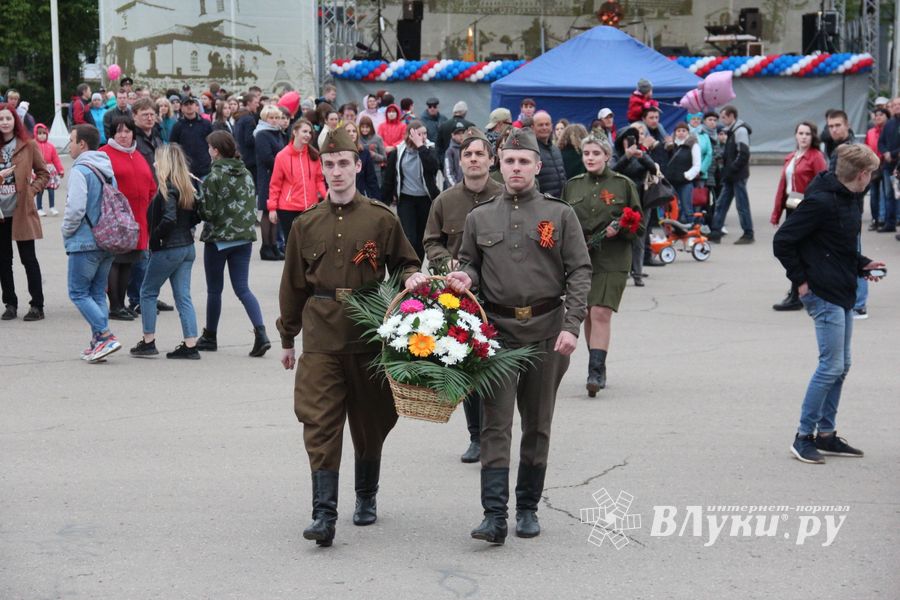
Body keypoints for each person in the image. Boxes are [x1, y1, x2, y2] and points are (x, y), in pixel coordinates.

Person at [276, 127, 422, 548]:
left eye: (344, 163)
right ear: (321, 169)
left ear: (358, 166)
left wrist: (412, 279)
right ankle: (323, 514)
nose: (336, 171)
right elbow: (292, 285)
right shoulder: (306, 224)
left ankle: (366, 494)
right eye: (329, 164)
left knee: (371, 421)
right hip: (321, 335)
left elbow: (405, 263)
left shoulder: (380, 218)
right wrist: (287, 338)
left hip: (369, 335)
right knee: (319, 422)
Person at [445, 128, 591, 545]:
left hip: (547, 332)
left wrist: (571, 325)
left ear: (537, 166)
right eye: (509, 161)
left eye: (523, 161)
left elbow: (580, 270)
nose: (516, 168)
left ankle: (528, 507)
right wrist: (465, 277)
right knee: (495, 425)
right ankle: (494, 515)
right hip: (498, 335)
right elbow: (470, 263)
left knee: (538, 424)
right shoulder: (480, 217)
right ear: (499, 164)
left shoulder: (559, 214)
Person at [773, 144, 885, 464]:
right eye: (871, 173)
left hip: (842, 288)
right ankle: (803, 437)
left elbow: (838, 246)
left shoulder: (850, 198)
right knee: (831, 366)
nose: (872, 178)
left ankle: (826, 434)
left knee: (841, 365)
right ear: (861, 174)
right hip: (822, 293)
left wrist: (862, 264)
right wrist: (801, 281)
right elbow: (783, 241)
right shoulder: (821, 201)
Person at [423, 128, 504, 464]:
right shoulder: (445, 201)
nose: (473, 160)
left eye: (479, 154)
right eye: (467, 154)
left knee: (499, 367)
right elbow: (431, 241)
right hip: (461, 295)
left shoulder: (505, 196)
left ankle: (497, 434)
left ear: (491, 160)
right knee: (468, 365)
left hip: (500, 292)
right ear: (460, 160)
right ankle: (476, 437)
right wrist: (447, 263)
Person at [562, 134, 643, 396]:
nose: (590, 158)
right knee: (587, 312)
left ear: (607, 156)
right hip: (582, 259)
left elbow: (639, 224)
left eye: (596, 153)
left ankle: (594, 372)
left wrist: (621, 229)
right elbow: (562, 223)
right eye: (586, 153)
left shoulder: (623, 184)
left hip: (613, 258)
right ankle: (597, 362)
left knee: (600, 312)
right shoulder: (573, 186)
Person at [195, 130, 270, 357]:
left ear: (216, 151)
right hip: (244, 238)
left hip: (219, 239)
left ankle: (210, 335)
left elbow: (207, 213)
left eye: (210, 147)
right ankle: (261, 332)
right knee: (243, 289)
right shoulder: (245, 172)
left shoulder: (213, 176)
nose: (208, 150)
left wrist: (198, 199)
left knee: (214, 290)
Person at [131, 144, 201, 359]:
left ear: (165, 164)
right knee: (183, 296)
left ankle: (148, 341)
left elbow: (169, 219)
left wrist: (155, 237)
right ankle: (190, 344)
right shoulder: (187, 187)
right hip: (187, 247)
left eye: (157, 160)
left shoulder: (168, 188)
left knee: (147, 292)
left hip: (169, 248)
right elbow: (196, 216)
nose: (154, 163)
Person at [62, 124, 121, 361]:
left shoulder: (80, 170)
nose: (69, 145)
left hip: (85, 241)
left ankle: (105, 335)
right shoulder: (107, 169)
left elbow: (75, 208)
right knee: (96, 293)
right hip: (107, 239)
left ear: (82, 144)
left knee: (78, 292)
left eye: (72, 140)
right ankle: (99, 341)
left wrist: (66, 230)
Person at [99, 115, 156, 321]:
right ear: (112, 134)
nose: (123, 135)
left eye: (127, 131)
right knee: (115, 262)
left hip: (139, 219)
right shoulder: (104, 154)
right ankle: (115, 305)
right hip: (116, 219)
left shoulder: (137, 154)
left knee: (128, 262)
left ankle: (121, 304)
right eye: (119, 131)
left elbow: (151, 184)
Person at [770, 122, 828, 312]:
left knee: (797, 250)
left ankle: (798, 293)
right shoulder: (792, 156)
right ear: (795, 135)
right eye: (800, 133)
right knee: (794, 249)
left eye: (807, 134)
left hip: (807, 209)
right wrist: (776, 213)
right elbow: (783, 187)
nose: (803, 137)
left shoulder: (816, 157)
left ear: (813, 136)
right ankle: (798, 291)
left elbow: (823, 183)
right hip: (792, 206)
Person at [0, 104, 49, 322]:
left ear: (15, 120)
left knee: (28, 259)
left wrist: (31, 191)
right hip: (1, 214)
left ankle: (37, 305)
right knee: (3, 261)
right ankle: (10, 303)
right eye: (1, 119)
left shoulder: (28, 145)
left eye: (8, 118)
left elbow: (43, 173)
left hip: (22, 210)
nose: (4, 122)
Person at [382, 120, 440, 259]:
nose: (423, 137)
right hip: (406, 200)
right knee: (410, 237)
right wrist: (383, 202)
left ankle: (417, 266)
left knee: (421, 239)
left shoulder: (429, 149)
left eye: (425, 134)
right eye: (419, 134)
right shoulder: (398, 152)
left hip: (425, 199)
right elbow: (389, 178)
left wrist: (421, 147)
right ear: (410, 135)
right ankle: (409, 265)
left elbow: (433, 167)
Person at [613, 122, 660, 286]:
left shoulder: (641, 154)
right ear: (621, 141)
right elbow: (612, 171)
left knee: (639, 238)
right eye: (627, 139)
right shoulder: (616, 154)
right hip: (622, 202)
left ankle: (638, 273)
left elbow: (654, 170)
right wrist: (626, 156)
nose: (630, 142)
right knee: (622, 237)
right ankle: (624, 270)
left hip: (642, 202)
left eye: (633, 139)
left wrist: (642, 156)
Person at [268, 118, 326, 242]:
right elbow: (275, 184)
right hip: (288, 209)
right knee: (292, 245)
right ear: (295, 132)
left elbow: (319, 180)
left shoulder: (314, 155)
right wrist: (272, 208)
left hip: (310, 208)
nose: (308, 135)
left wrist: (327, 197)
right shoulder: (282, 156)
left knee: (310, 244)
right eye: (304, 131)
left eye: (310, 132)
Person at [708, 105, 754, 244]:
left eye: (723, 117)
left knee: (741, 205)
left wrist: (732, 168)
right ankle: (716, 232)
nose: (721, 120)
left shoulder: (740, 131)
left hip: (737, 175)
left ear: (731, 116)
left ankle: (748, 233)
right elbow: (734, 152)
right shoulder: (732, 131)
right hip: (731, 174)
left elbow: (743, 154)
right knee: (721, 203)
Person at [254, 104, 288, 261]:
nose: (274, 120)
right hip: (268, 177)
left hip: (278, 176)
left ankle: (274, 245)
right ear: (264, 118)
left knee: (276, 212)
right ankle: (266, 247)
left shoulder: (277, 133)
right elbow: (267, 158)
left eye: (277, 117)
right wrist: (285, 167)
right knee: (267, 212)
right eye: (271, 118)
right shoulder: (262, 134)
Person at [665, 122, 702, 223]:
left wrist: (686, 175)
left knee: (687, 209)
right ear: (675, 132)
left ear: (688, 132)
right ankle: (673, 230)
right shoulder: (670, 145)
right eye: (678, 131)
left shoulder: (693, 145)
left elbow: (697, 165)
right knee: (671, 209)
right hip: (671, 183)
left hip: (685, 182)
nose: (681, 133)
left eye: (684, 131)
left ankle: (692, 229)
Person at [876, 97, 900, 233]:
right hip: (888, 166)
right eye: (894, 104)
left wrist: (893, 153)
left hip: (898, 164)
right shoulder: (889, 124)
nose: (896, 106)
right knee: (888, 195)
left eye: (899, 104)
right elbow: (881, 142)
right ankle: (889, 223)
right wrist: (885, 153)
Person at [533, 111, 567, 198]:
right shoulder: (532, 151)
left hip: (560, 201)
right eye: (540, 125)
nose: (544, 127)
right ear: (533, 127)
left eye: (547, 124)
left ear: (551, 126)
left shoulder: (556, 149)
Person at [865, 108, 889, 229]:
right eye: (876, 115)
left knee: (885, 193)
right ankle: (875, 219)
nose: (878, 117)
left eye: (881, 115)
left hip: (885, 164)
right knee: (874, 193)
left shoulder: (889, 130)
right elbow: (866, 147)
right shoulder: (870, 132)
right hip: (873, 166)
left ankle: (883, 218)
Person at [33, 123, 65, 217]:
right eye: (39, 133)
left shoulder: (51, 146)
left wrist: (60, 170)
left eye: (44, 133)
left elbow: (56, 159)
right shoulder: (33, 146)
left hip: (50, 171)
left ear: (47, 134)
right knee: (40, 190)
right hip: (38, 170)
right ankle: (39, 208)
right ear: (35, 134)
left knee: (51, 189)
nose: (42, 135)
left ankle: (52, 207)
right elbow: (30, 158)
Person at [345, 120, 380, 200]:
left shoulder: (364, 153)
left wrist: (376, 200)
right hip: (343, 195)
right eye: (348, 131)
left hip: (360, 195)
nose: (351, 134)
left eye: (354, 131)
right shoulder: (338, 153)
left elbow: (371, 179)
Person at [132, 98, 165, 174]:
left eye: (152, 114)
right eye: (145, 115)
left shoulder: (158, 138)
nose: (149, 118)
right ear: (134, 116)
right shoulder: (130, 140)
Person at [359, 116, 386, 191]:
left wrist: (374, 155)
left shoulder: (377, 139)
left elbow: (384, 158)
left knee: (376, 192)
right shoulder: (358, 138)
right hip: (362, 171)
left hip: (375, 172)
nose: (364, 129)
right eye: (362, 127)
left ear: (371, 127)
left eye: (367, 127)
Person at [443, 121, 467, 188]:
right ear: (452, 135)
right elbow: (448, 173)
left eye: (463, 133)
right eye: (458, 134)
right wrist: (455, 187)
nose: (461, 136)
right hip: (457, 188)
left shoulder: (469, 148)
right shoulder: (450, 151)